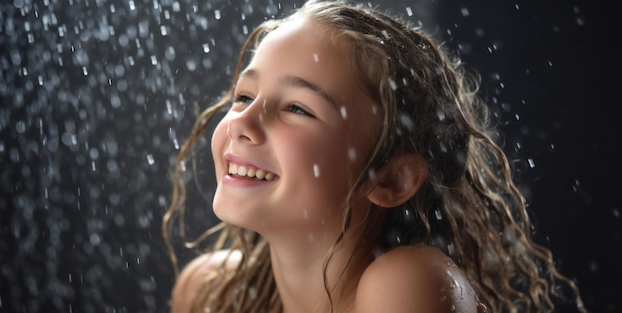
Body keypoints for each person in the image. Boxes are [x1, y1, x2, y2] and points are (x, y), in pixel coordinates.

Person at [162, 1, 586, 312]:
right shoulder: (211, 294)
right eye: (244, 96)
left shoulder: (407, 283)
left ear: (391, 179)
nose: (241, 122)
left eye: (297, 108)